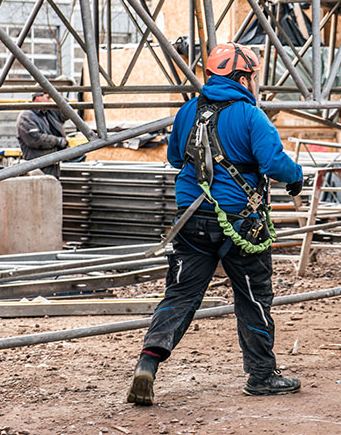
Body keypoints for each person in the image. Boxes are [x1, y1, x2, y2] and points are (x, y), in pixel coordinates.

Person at [127, 43, 304, 405]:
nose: (254, 83)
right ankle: (261, 375)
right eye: (252, 76)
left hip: (191, 220)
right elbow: (274, 163)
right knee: (253, 298)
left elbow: (175, 157)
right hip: (240, 224)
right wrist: (296, 176)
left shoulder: (187, 111)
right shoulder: (251, 115)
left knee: (180, 295)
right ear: (242, 78)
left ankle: (147, 363)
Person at [16, 92, 68, 176]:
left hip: (52, 164)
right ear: (37, 97)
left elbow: (68, 111)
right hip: (36, 167)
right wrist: (57, 141)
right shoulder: (26, 116)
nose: (50, 101)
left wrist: (56, 95)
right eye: (48, 98)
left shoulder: (49, 112)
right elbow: (35, 139)